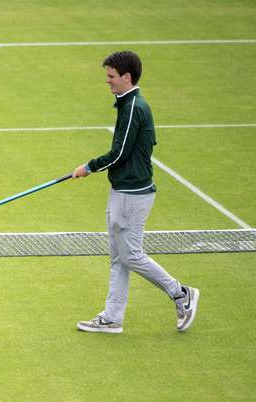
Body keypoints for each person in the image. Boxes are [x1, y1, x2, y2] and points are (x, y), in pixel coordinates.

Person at [72, 50, 199, 334]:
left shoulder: (134, 108)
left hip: (134, 194)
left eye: (111, 77)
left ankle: (180, 294)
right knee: (118, 257)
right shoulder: (126, 105)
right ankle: (112, 318)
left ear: (126, 77)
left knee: (131, 255)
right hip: (122, 190)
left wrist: (89, 167)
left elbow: (119, 154)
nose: (108, 82)